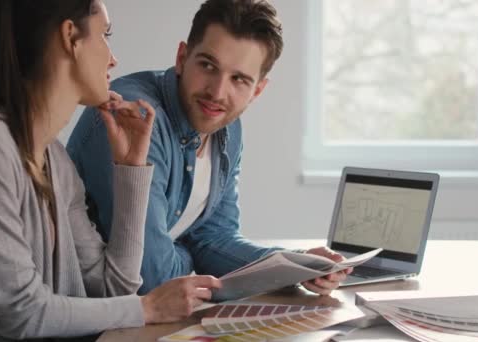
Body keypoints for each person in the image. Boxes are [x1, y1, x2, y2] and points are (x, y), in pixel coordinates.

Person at [0, 0, 221, 340]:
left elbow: (113, 287)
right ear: (71, 37)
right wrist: (147, 308)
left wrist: (131, 171)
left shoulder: (53, 158)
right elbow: (23, 313)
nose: (113, 58)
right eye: (105, 34)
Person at [67, 0, 352, 297]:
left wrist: (296, 266)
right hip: (94, 320)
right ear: (181, 57)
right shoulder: (135, 117)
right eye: (207, 66)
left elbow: (213, 238)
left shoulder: (226, 126)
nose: (217, 92)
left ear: (257, 90)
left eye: (238, 79)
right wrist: (190, 254)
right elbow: (149, 277)